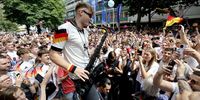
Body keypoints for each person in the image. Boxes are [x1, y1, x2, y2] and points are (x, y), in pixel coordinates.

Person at [49, 2, 100, 100]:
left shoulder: (85, 31)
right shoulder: (63, 29)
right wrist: (74, 69)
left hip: (88, 73)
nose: (91, 19)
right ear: (81, 12)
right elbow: (53, 54)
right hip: (78, 77)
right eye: (90, 15)